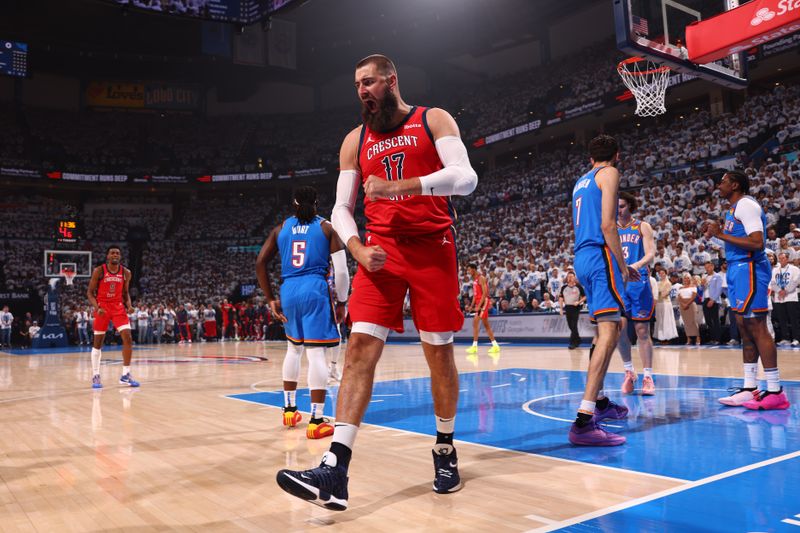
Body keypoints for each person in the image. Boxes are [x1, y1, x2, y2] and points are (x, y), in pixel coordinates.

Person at [276, 54, 477, 510]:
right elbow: (342, 208)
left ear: (391, 80)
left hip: (432, 250)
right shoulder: (355, 140)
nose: (363, 91)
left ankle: (444, 448)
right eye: (357, 85)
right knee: (359, 352)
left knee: (439, 355)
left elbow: (466, 179)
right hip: (379, 254)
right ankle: (335, 468)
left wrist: (399, 187)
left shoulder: (433, 119)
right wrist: (358, 249)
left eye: (369, 82)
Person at [256, 186, 350, 441]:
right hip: (314, 289)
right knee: (316, 352)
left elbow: (260, 262)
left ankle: (289, 410)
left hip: (289, 291)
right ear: (316, 203)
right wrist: (342, 301)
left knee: (293, 349)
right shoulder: (326, 228)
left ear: (294, 203)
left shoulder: (280, 228)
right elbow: (341, 272)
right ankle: (317, 420)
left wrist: (270, 298)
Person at [569, 134, 638, 446]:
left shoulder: (580, 182)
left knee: (603, 333)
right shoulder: (609, 173)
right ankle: (584, 421)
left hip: (582, 257)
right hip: (600, 254)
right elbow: (609, 225)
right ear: (617, 155)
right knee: (611, 332)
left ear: (589, 158)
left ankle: (597, 402)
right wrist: (622, 266)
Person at [705, 170, 790, 410]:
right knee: (744, 328)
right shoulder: (732, 210)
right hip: (736, 268)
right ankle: (750, 387)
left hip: (750, 269)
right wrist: (717, 237)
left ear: (734, 184)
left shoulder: (746, 205)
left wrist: (721, 233)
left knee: (757, 327)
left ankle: (775, 390)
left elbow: (757, 242)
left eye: (722, 181)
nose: (718, 185)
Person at [616, 191, 656, 395]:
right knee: (619, 330)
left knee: (642, 331)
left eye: (622, 205)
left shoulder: (642, 226)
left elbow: (651, 253)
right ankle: (629, 372)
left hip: (638, 280)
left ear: (630, 206)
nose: (618, 209)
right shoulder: (609, 228)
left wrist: (635, 265)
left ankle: (648, 376)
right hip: (618, 283)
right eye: (616, 205)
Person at [86, 245, 139, 389]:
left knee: (128, 337)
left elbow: (125, 292)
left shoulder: (126, 273)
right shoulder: (99, 271)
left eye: (117, 253)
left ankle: (125, 375)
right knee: (98, 343)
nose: (115, 255)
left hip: (118, 307)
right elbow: (90, 293)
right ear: (107, 256)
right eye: (112, 253)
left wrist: (129, 305)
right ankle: (96, 375)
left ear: (120, 256)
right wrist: (97, 308)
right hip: (102, 307)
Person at [466, 263, 501, 356]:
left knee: (477, 322)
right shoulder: (474, 280)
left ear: (473, 269)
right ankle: (495, 345)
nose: (468, 272)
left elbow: (485, 293)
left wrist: (479, 305)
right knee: (484, 325)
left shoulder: (481, 278)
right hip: (479, 303)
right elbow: (475, 295)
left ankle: (475, 346)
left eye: (469, 270)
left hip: (484, 302)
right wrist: (471, 305)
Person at [770, 251, 800, 346]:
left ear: (787, 259)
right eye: (780, 258)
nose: (781, 260)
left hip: (791, 297)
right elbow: (772, 283)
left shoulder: (794, 269)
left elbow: (795, 281)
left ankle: (796, 338)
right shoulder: (775, 270)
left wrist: (785, 291)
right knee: (782, 319)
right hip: (779, 298)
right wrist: (779, 291)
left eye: (783, 258)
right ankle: (785, 338)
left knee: (793, 319)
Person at [559, 272, 586, 349]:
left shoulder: (578, 287)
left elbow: (585, 297)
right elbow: (561, 298)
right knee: (570, 325)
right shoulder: (563, 287)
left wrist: (579, 302)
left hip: (575, 308)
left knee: (574, 325)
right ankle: (578, 340)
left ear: (574, 278)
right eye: (569, 277)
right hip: (567, 308)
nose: (570, 278)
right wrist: (561, 309)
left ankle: (573, 343)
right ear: (567, 278)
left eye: (571, 276)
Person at [702, 262, 723, 345]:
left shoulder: (717, 276)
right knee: (708, 320)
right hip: (705, 299)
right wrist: (702, 285)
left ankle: (717, 339)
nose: (707, 269)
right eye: (706, 267)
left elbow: (719, 289)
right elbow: (701, 289)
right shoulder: (705, 277)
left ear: (712, 267)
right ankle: (712, 338)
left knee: (715, 320)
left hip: (713, 300)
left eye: (708, 267)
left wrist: (713, 299)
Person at [677, 273, 700, 345]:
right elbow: (679, 298)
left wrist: (687, 304)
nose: (686, 279)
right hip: (683, 306)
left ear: (690, 279)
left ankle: (697, 338)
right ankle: (688, 338)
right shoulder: (680, 288)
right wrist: (683, 304)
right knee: (686, 322)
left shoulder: (693, 286)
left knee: (693, 321)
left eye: (687, 278)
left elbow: (693, 296)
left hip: (691, 305)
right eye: (685, 278)